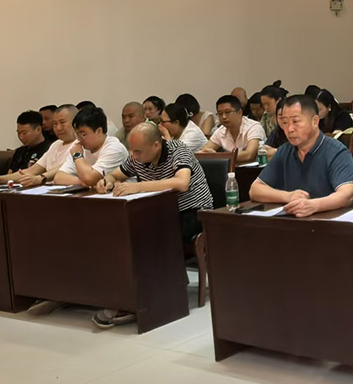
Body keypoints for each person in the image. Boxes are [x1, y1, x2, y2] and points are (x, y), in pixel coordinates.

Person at [93, 122, 213, 329]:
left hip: (192, 212)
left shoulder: (178, 150)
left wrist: (138, 187)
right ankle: (128, 297)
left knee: (147, 239)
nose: (133, 155)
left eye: (138, 151)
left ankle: (151, 299)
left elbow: (181, 183)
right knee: (123, 234)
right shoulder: (137, 157)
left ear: (156, 145)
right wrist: (108, 181)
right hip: (157, 213)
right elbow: (116, 174)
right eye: (132, 150)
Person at [250, 95, 353, 215]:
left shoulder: (336, 151)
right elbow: (255, 190)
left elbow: (347, 195)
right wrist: (288, 196)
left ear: (315, 121)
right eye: (285, 122)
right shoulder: (284, 151)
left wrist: (314, 205)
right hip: (293, 221)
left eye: (295, 121)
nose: (289, 129)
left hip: (327, 221)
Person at [0, 104, 79, 188]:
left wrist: (40, 178)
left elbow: (63, 167)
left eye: (62, 122)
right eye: (55, 124)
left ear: (75, 123)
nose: (58, 128)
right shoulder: (56, 144)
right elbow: (32, 170)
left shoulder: (80, 143)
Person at [53, 106, 128, 186]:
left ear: (99, 131)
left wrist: (78, 156)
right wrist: (84, 183)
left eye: (83, 134)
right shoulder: (81, 147)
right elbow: (58, 177)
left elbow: (89, 178)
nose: (79, 139)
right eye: (77, 134)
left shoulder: (114, 149)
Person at [201, 95, 266, 163]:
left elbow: (249, 155)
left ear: (239, 113)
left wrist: (218, 156)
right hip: (231, 168)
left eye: (227, 112)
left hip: (254, 169)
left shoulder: (254, 127)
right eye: (220, 113)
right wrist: (209, 154)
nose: (224, 117)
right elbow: (203, 153)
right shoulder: (221, 131)